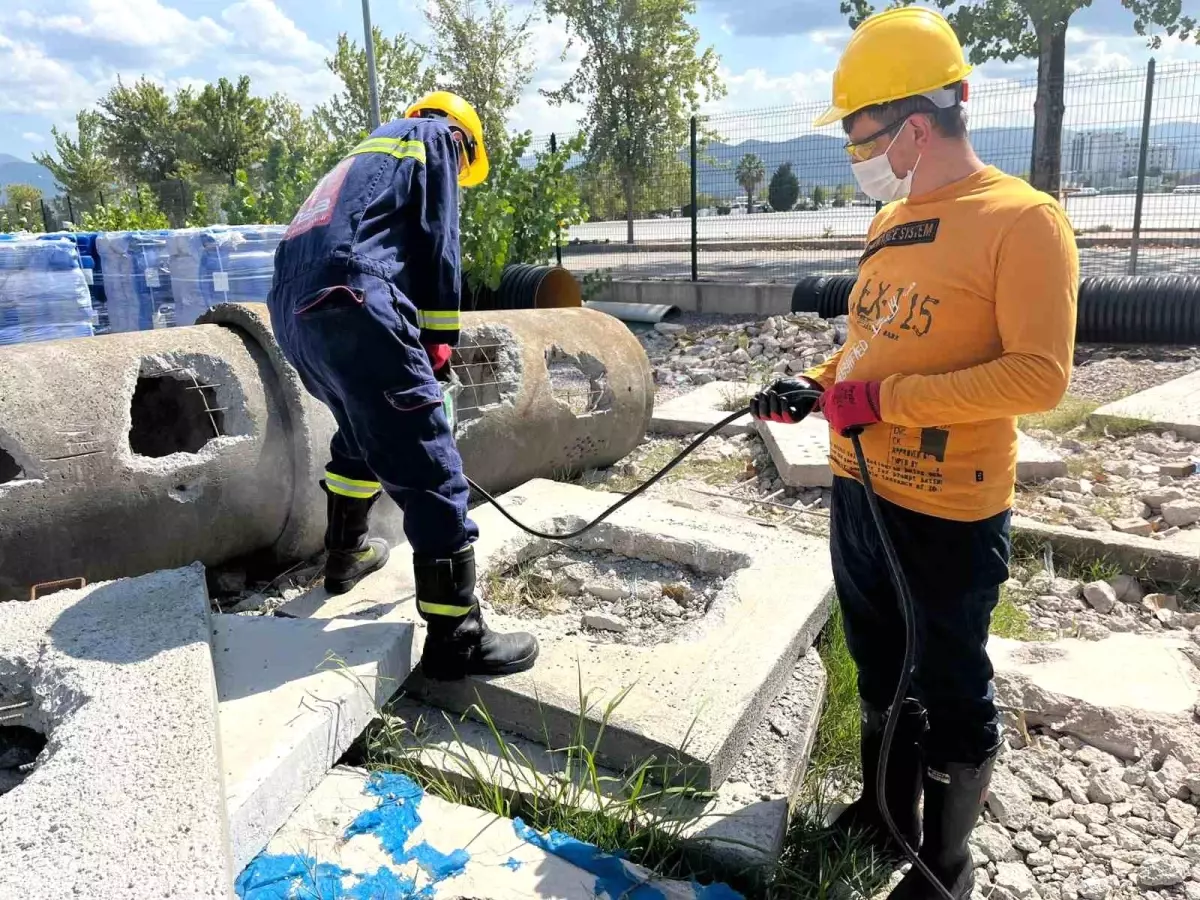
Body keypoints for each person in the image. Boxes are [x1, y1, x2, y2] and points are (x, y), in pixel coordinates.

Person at [750, 8, 1078, 899]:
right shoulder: (891, 221)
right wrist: (820, 384)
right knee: (879, 655)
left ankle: (945, 862)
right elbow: (875, 338)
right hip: (860, 487)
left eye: (859, 134)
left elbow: (1040, 376)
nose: (855, 154)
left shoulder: (1023, 222)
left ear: (917, 126)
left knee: (950, 681)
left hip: (945, 505)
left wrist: (881, 401)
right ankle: (881, 807)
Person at [266, 91, 539, 682]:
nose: (461, 176)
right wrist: (439, 346)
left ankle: (345, 557)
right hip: (352, 300)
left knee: (361, 428)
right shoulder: (436, 138)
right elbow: (438, 243)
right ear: (465, 139)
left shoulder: (360, 160)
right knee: (428, 459)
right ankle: (457, 636)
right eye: (469, 169)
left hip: (294, 311)